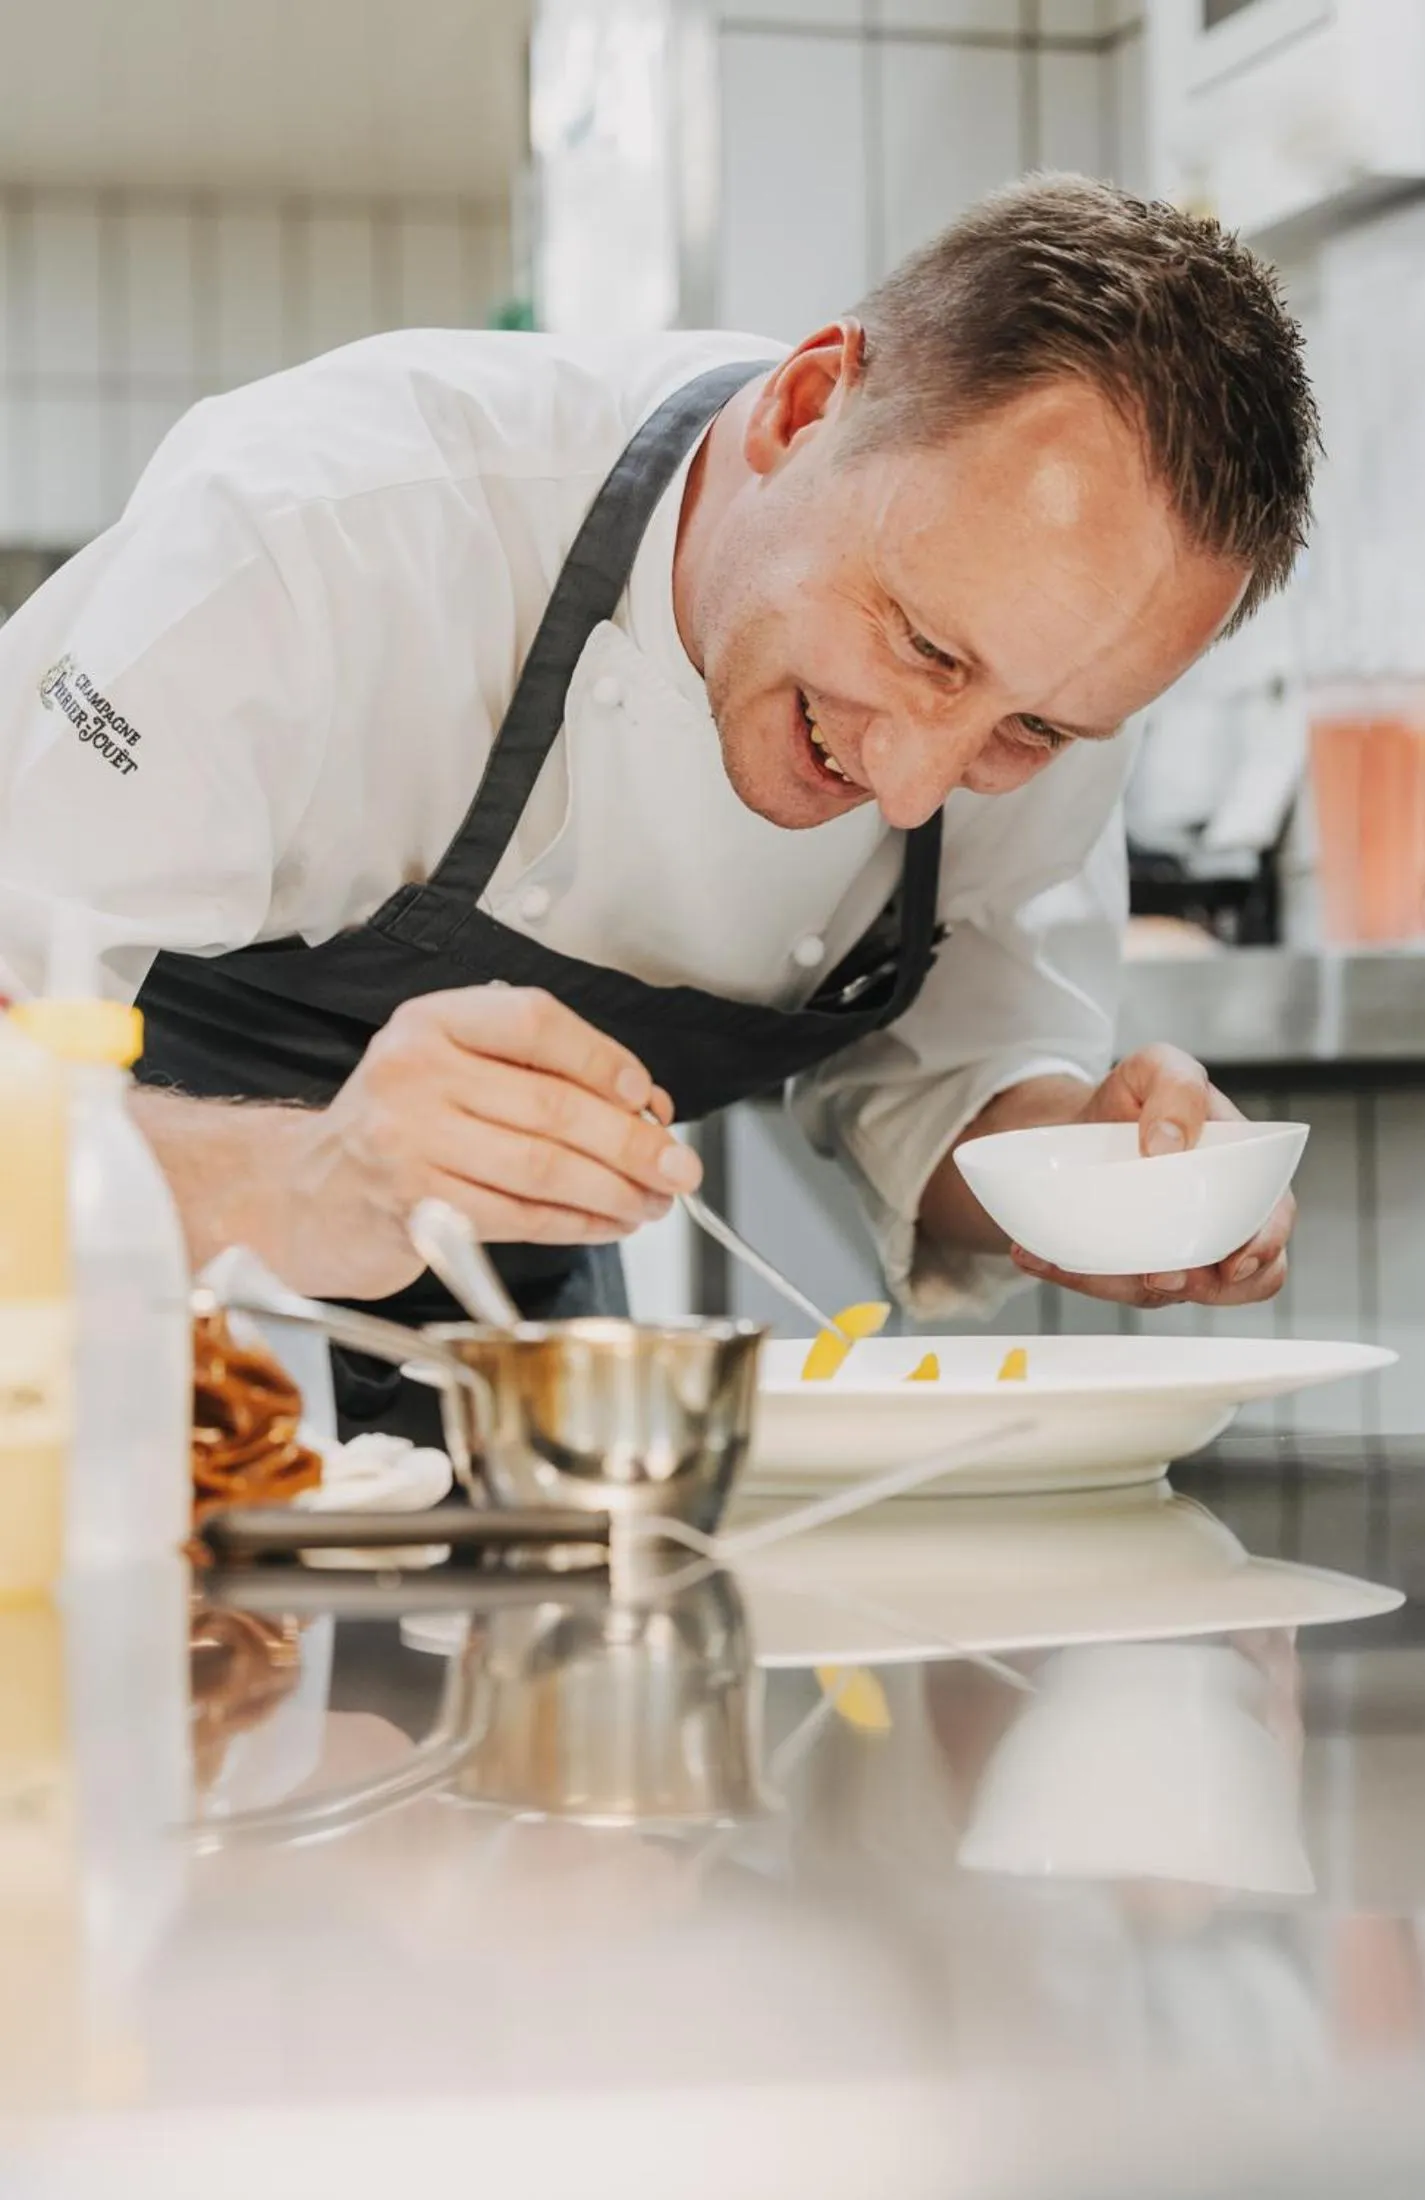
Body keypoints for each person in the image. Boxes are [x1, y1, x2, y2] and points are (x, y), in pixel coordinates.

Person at [0, 176, 1318, 1436]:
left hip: (532, 1404)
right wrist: (320, 1178)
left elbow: (950, 1080)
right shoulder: (324, 532)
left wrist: (1089, 1175)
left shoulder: (1055, 680)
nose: (912, 786)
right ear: (804, 407)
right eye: (924, 649)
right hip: (87, 1387)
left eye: (1030, 730)